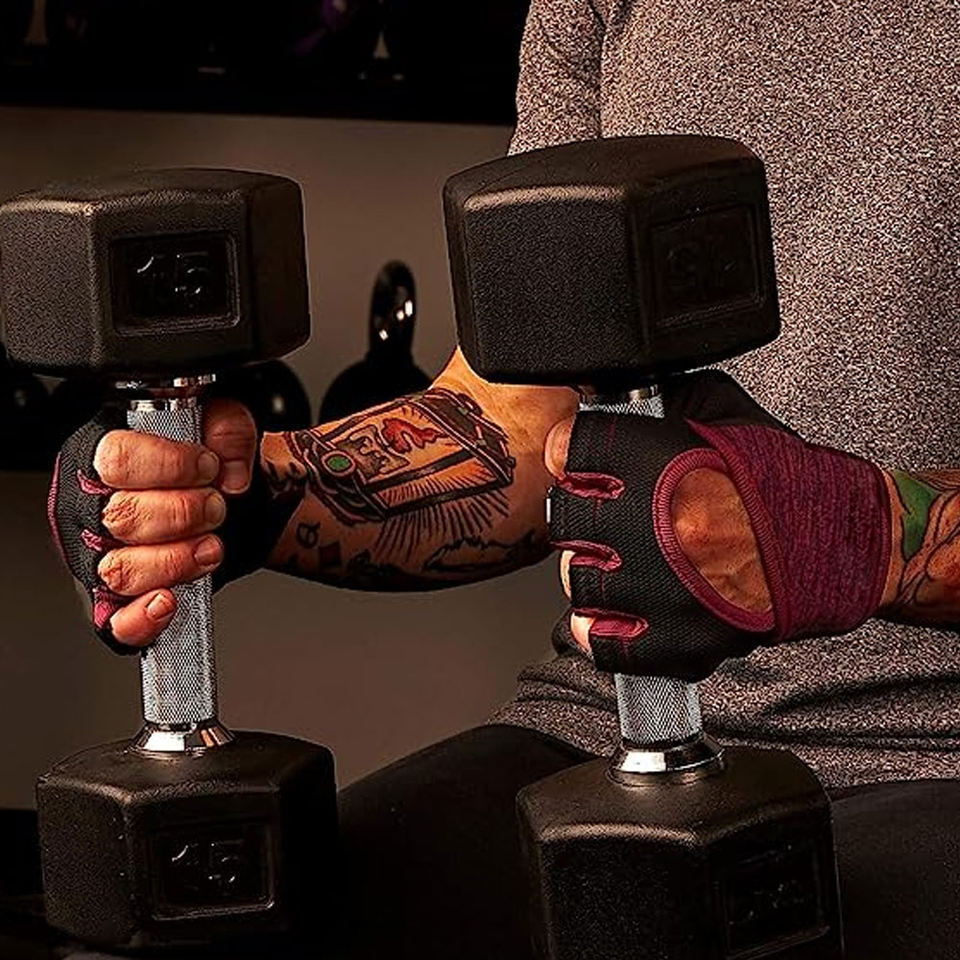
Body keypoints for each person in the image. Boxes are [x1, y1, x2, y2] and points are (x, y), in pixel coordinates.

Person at [46, 0, 959, 956]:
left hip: (935, 752)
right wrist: (234, 494)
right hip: (612, 728)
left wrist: (856, 537)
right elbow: (524, 424)